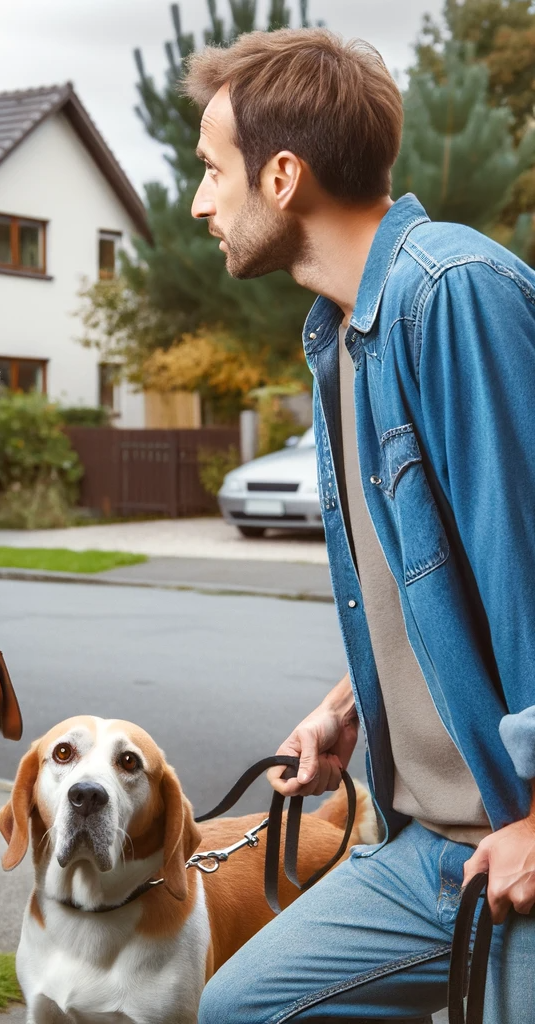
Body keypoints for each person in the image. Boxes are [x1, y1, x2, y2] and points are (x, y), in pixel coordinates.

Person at [185, 28, 535, 1023]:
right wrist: (345, 708)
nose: (202, 202)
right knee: (237, 1008)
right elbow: (432, 570)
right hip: (428, 843)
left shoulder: (450, 295)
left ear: (283, 174)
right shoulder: (345, 337)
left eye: (213, 172)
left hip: (513, 841)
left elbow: (527, 568)